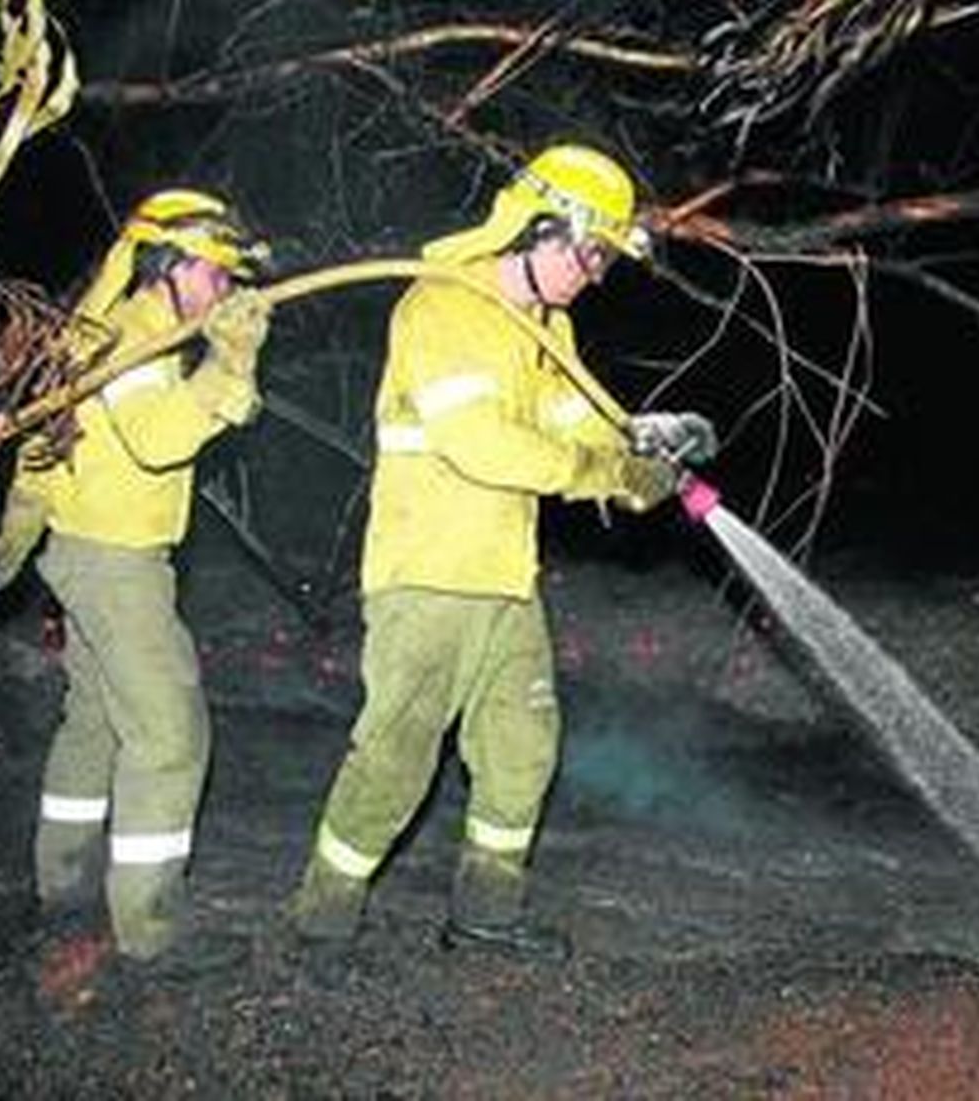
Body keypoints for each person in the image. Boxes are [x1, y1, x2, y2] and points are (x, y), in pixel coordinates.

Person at [285, 143, 717, 963]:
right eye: (591, 253)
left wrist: (643, 448)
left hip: (503, 579)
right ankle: (323, 921)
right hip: (429, 576)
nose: (594, 275)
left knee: (523, 748)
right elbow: (482, 443)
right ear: (544, 228)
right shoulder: (442, 309)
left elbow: (577, 421)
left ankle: (485, 913)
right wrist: (599, 468)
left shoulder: (543, 327)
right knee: (397, 757)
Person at [0, 189, 274, 975]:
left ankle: (62, 882)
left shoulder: (106, 328)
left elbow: (47, 443)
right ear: (167, 265)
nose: (225, 291)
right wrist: (230, 363)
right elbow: (159, 438)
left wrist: (21, 530)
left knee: (96, 720)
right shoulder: (134, 336)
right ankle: (151, 927)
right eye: (216, 273)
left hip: (82, 552)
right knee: (169, 735)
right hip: (114, 564)